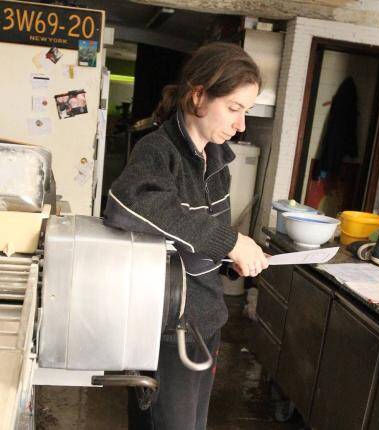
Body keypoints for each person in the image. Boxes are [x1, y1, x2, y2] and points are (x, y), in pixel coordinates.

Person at [103, 42, 268, 430]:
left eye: (246, 112)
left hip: (205, 322)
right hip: (168, 329)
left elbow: (200, 239)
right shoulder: (158, 151)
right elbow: (131, 204)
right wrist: (229, 242)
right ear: (198, 96)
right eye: (234, 109)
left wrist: (231, 260)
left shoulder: (218, 161)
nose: (241, 125)